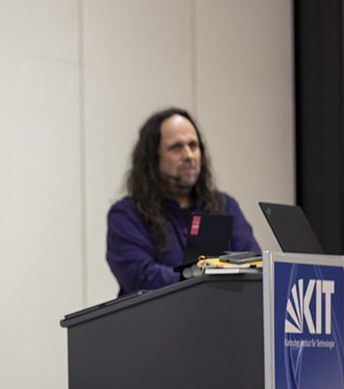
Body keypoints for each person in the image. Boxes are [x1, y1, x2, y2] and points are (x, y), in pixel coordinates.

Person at [106, 107, 260, 295]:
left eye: (193, 146)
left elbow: (253, 266)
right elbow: (141, 277)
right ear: (153, 160)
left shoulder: (225, 206)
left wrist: (202, 275)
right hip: (158, 321)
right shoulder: (127, 214)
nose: (188, 155)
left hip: (226, 318)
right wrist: (201, 276)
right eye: (176, 147)